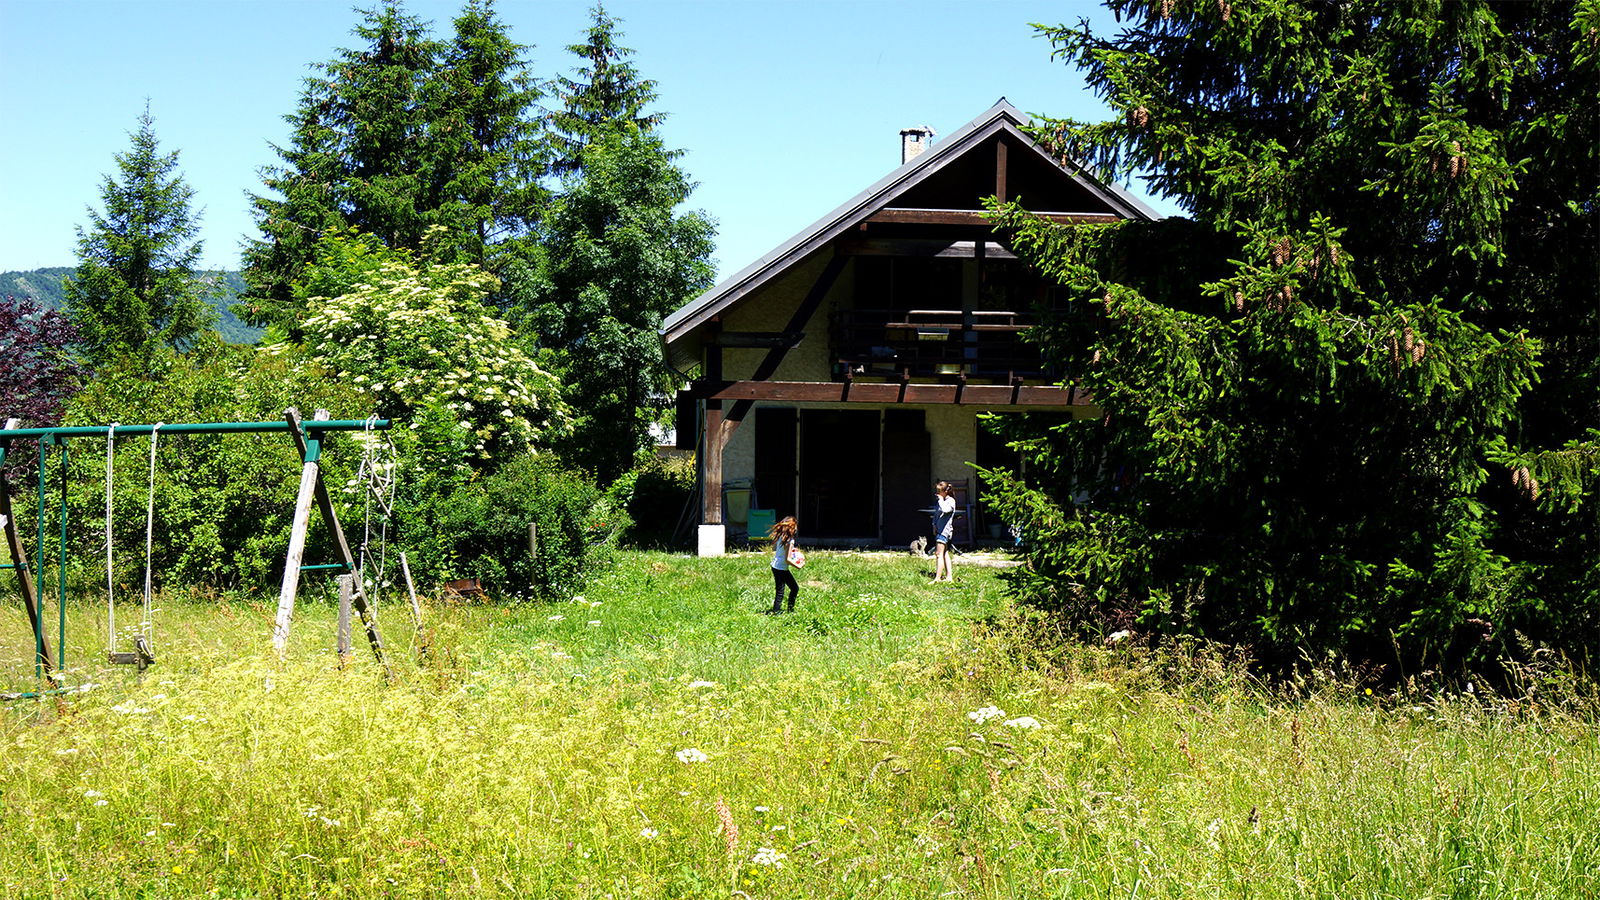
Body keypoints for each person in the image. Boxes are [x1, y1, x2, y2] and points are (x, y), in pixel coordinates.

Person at [767, 516, 801, 614]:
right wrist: (798, 566)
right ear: (792, 528)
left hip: (775, 566)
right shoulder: (790, 540)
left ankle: (778, 611)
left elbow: (774, 549)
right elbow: (787, 560)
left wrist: (792, 550)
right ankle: (784, 611)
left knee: (781, 590)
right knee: (792, 589)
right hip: (781, 568)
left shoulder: (780, 537)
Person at [932, 481, 956, 583]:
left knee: (938, 554)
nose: (937, 494)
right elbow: (936, 514)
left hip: (944, 531)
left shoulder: (950, 501)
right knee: (945, 553)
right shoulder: (940, 501)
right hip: (939, 530)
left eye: (939, 491)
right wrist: (934, 525)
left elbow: (945, 510)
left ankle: (937, 578)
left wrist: (941, 500)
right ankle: (949, 577)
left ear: (945, 491)